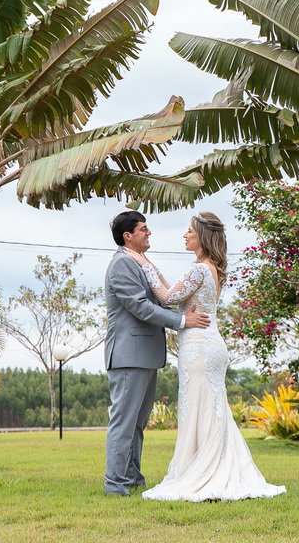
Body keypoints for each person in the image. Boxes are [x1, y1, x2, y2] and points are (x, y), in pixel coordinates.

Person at [134, 211, 286, 502]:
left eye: (189, 231)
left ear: (202, 236)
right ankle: (215, 464)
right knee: (211, 407)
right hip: (210, 344)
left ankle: (205, 470)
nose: (185, 235)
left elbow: (165, 298)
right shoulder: (208, 267)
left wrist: (144, 264)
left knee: (200, 407)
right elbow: (174, 292)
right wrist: (150, 264)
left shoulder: (200, 270)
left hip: (199, 347)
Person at [104, 210, 210, 497]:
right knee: (124, 422)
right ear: (128, 236)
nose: (149, 233)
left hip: (145, 354)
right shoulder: (122, 265)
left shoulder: (139, 263)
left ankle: (133, 478)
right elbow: (139, 306)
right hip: (129, 355)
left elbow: (157, 301)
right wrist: (181, 321)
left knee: (137, 424)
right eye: (143, 229)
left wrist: (179, 313)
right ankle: (115, 485)